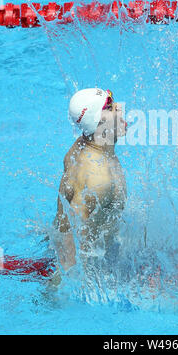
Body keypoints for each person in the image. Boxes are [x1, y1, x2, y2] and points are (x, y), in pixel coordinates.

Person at [53, 88, 127, 274]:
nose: (119, 107)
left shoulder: (86, 145)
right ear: (98, 121)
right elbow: (71, 241)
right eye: (110, 106)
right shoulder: (98, 179)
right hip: (95, 269)